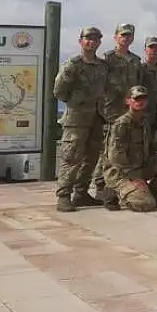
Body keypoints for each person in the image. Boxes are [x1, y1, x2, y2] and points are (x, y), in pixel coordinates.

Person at [52, 27, 109, 212]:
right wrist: (77, 102)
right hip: (76, 120)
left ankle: (81, 193)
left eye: (95, 39)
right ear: (81, 41)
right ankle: (63, 196)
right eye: (88, 38)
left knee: (91, 158)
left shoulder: (102, 66)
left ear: (100, 42)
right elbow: (59, 91)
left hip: (96, 118)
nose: (92, 42)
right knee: (71, 158)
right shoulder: (73, 64)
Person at [103, 86, 157, 212]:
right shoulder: (121, 124)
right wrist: (133, 178)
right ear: (128, 101)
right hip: (121, 172)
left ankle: (152, 192)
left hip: (140, 168)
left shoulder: (144, 122)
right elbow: (115, 156)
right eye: (136, 99)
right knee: (146, 204)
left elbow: (151, 145)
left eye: (143, 98)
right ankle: (114, 191)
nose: (140, 102)